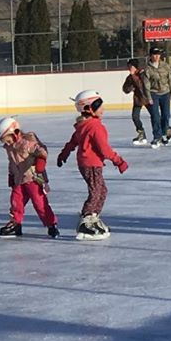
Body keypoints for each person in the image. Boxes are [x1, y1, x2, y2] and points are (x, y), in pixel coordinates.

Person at [55, 89, 128, 240]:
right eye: (98, 105)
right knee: (96, 192)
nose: (102, 108)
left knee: (102, 191)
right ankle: (86, 220)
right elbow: (104, 149)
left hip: (86, 164)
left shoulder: (84, 126)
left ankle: (93, 218)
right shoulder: (95, 126)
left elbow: (72, 142)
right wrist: (118, 161)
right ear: (88, 108)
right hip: (92, 165)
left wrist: (64, 154)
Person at [0, 116, 59, 238]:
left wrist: (40, 164)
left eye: (7, 140)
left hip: (33, 178)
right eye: (4, 142)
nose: (7, 143)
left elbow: (42, 151)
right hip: (19, 179)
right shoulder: (9, 148)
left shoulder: (27, 143)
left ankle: (51, 224)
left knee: (39, 202)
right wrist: (10, 175)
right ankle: (15, 224)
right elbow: (12, 162)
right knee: (16, 201)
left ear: (15, 133)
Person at [142, 45, 171, 145]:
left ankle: (166, 130)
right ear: (150, 56)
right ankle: (157, 136)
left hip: (165, 93)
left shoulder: (165, 66)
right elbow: (146, 84)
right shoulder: (147, 69)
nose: (156, 57)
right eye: (154, 55)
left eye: (158, 54)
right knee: (155, 116)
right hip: (154, 93)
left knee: (166, 115)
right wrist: (149, 97)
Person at [120, 60, 150, 145]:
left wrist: (133, 75)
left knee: (155, 116)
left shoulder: (142, 74)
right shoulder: (130, 77)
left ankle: (164, 130)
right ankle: (141, 134)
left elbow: (141, 85)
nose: (129, 68)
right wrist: (129, 88)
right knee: (135, 117)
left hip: (148, 98)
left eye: (130, 66)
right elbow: (125, 89)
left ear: (134, 66)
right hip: (138, 100)